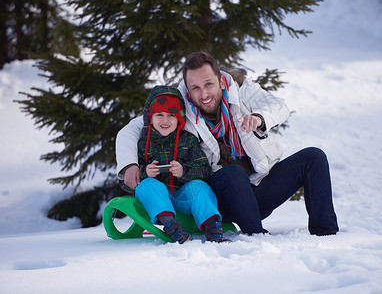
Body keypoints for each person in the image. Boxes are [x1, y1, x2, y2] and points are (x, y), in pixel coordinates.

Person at [116, 52, 339, 236]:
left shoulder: (244, 93)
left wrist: (260, 118)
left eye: (208, 84)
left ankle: (325, 233)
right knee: (232, 172)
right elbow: (133, 129)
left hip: (259, 188)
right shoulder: (181, 107)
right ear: (187, 88)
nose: (203, 94)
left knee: (313, 157)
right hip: (221, 196)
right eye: (195, 88)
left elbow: (279, 106)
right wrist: (129, 164)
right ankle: (256, 235)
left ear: (221, 81)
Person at [122, 85, 231, 243]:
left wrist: (184, 171)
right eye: (159, 115)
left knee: (200, 187)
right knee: (148, 185)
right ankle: (173, 228)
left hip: (182, 195)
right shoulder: (142, 144)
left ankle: (212, 229)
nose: (165, 120)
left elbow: (205, 170)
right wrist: (145, 172)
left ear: (179, 118)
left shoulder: (188, 140)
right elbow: (126, 183)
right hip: (158, 200)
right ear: (150, 118)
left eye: (171, 115)